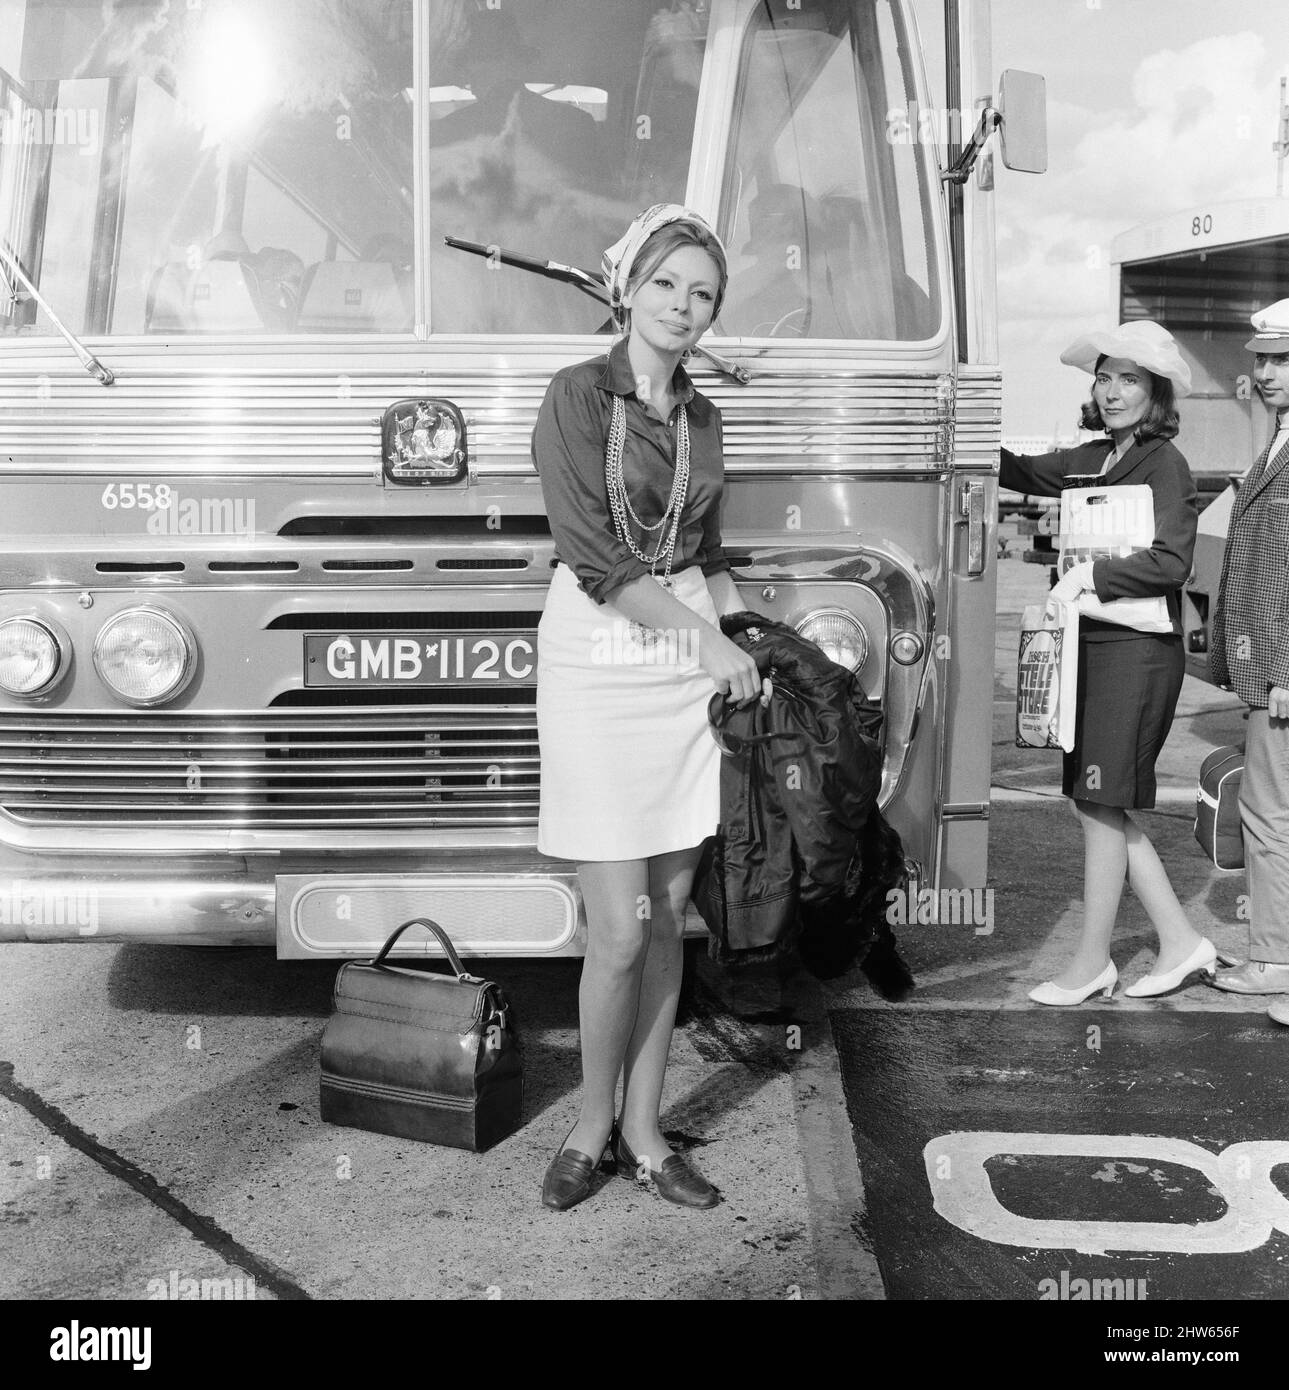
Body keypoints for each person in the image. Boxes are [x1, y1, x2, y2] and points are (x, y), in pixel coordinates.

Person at [531, 205, 771, 1209]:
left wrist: (744, 633)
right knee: (619, 929)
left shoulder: (706, 415)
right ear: (629, 287)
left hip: (680, 656)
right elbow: (595, 558)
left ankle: (645, 1129)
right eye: (667, 284)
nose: (682, 306)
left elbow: (701, 552)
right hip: (597, 650)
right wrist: (703, 640)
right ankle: (589, 1124)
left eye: (702, 293)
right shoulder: (577, 394)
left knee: (668, 916)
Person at [1002, 320, 1219, 1005]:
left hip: (1134, 652)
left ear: (1154, 393)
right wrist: (961, 415)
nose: (1113, 391)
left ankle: (1091, 962)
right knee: (1096, 801)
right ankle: (1181, 943)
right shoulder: (1093, 456)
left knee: (1099, 802)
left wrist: (1087, 578)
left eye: (1129, 379)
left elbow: (1169, 561)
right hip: (1088, 646)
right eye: (1104, 377)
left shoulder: (1163, 463)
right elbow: (1019, 469)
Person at [1209, 299, 1289, 1026]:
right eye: (1260, 358)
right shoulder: (1277, 441)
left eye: (1281, 359)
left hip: (1282, 672)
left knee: (1271, 814)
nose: (1263, 372)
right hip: (1264, 666)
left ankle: (1275, 960)